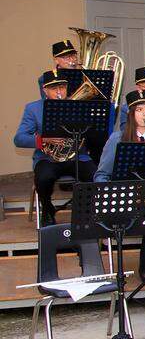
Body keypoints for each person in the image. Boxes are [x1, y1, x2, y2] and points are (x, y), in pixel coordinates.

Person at [96, 90, 145, 279]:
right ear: (131, 114)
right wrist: (107, 196)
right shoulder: (117, 139)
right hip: (128, 196)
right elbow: (102, 174)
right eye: (139, 109)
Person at [15, 70, 97, 226]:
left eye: (62, 87)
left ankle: (84, 213)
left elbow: (95, 133)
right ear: (45, 90)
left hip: (77, 156)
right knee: (43, 178)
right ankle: (46, 209)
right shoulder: (33, 109)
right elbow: (19, 138)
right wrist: (42, 141)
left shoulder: (80, 106)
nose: (59, 92)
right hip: (48, 158)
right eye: (54, 88)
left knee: (94, 176)